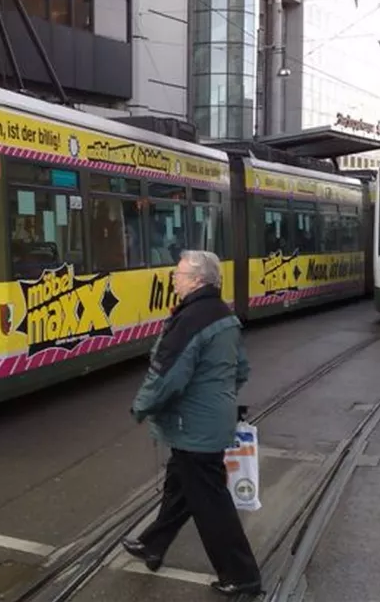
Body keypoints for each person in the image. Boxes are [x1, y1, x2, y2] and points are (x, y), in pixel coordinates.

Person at [125, 250, 261, 597]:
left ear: (197, 280)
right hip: (208, 422)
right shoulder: (222, 314)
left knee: (210, 503)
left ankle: (241, 574)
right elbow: (240, 369)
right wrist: (217, 400)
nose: (174, 278)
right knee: (180, 487)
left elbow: (167, 376)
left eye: (179, 273)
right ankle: (153, 544)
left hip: (193, 427)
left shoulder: (191, 319)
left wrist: (141, 406)